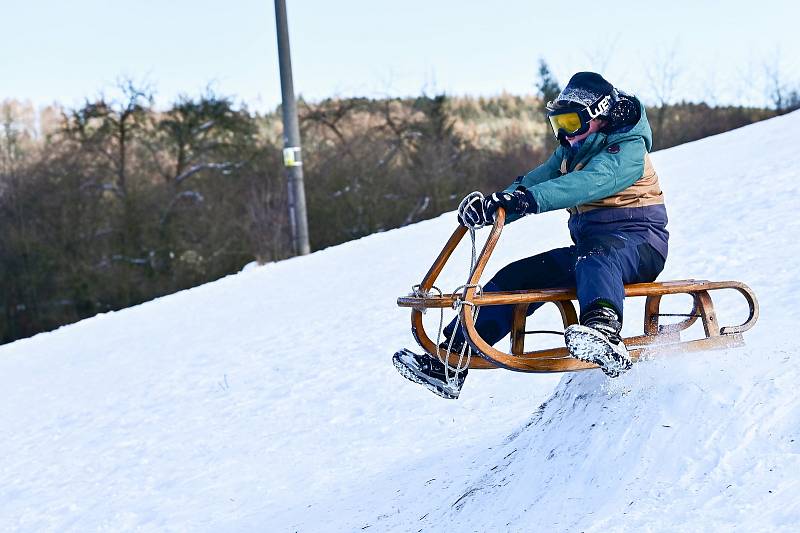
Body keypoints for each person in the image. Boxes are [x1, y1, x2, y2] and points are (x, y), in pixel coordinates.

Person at [394, 72, 668, 399]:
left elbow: (588, 183)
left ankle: (603, 332)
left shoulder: (627, 148)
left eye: (572, 122)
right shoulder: (570, 153)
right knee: (518, 276)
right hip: (590, 251)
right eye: (558, 125)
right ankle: (450, 362)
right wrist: (497, 206)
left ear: (600, 114)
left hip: (640, 245)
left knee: (596, 258)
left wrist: (531, 201)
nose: (566, 135)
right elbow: (535, 181)